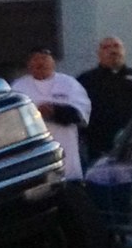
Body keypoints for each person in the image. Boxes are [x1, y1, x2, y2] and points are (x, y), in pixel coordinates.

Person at [11, 48, 91, 181]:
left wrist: (55, 111)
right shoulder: (18, 88)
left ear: (53, 62)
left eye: (44, 58)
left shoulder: (69, 84)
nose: (40, 63)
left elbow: (81, 115)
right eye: (35, 59)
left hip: (65, 150)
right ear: (29, 64)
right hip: (33, 151)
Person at [77, 36, 132, 162]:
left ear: (124, 51)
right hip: (99, 149)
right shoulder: (86, 80)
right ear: (99, 53)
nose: (113, 51)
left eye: (117, 46)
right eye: (107, 47)